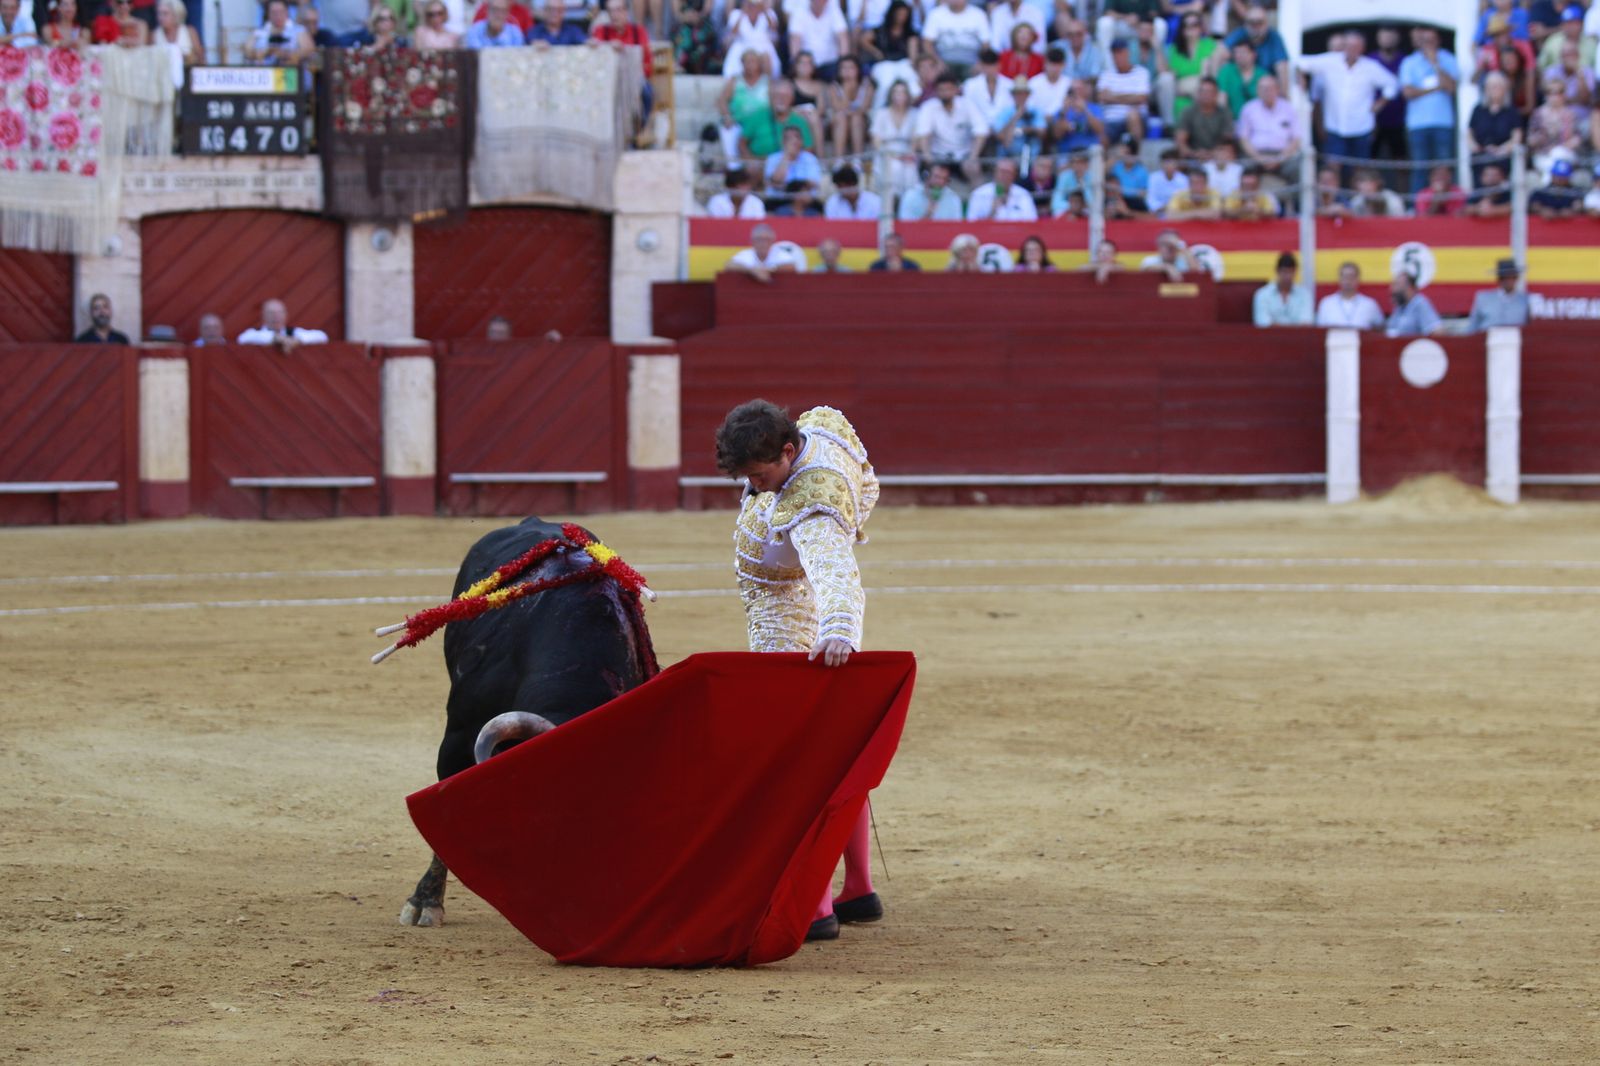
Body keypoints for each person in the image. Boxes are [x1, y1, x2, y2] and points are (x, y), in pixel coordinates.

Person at [715, 399, 883, 943]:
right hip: (791, 597)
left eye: (760, 474)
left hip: (785, 619)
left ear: (788, 453)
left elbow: (837, 573)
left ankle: (814, 907)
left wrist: (837, 631)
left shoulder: (811, 508)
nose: (755, 486)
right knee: (833, 754)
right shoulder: (816, 428)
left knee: (793, 762)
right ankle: (857, 888)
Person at [1297, 33, 1399, 178]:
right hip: (1335, 127)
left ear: (1362, 48)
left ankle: (1357, 200)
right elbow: (1300, 63)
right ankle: (1335, 200)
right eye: (1348, 46)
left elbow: (1392, 84)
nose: (1351, 50)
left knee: (1360, 171)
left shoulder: (1370, 67)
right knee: (1332, 168)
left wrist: (1380, 104)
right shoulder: (1330, 61)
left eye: (1355, 46)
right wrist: (1300, 80)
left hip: (1361, 127)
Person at [1398, 27, 1460, 195]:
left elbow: (1451, 87)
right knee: (1420, 167)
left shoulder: (1447, 59)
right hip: (1417, 124)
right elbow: (1408, 93)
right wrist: (1435, 88)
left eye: (1431, 40)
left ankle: (1450, 203)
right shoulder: (1409, 62)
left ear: (1438, 41)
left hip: (1443, 122)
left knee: (1444, 168)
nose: (1428, 44)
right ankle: (1417, 207)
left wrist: (1435, 64)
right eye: (1425, 41)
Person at [913, 73, 989, 185]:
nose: (945, 93)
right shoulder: (929, 107)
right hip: (938, 156)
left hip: (964, 156)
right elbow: (923, 134)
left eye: (948, 89)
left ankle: (978, 200)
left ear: (956, 89)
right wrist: (928, 158)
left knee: (974, 169)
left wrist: (973, 156)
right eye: (941, 90)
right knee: (931, 174)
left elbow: (981, 130)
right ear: (936, 91)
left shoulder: (967, 104)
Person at [1096, 39, 1149, 142]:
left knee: (1132, 115)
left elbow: (1141, 98)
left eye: (1120, 52)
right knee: (1098, 126)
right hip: (1111, 120)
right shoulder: (1106, 75)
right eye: (1114, 53)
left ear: (1128, 53)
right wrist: (1130, 97)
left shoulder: (1141, 72)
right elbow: (1102, 96)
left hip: (1136, 119)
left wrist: (1113, 96)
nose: (1117, 57)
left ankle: (1135, 154)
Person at [920, 0, 988, 80]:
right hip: (943, 60)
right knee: (930, 68)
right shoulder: (935, 14)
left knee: (986, 68)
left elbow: (986, 43)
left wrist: (980, 62)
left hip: (972, 61)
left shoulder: (979, 14)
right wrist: (937, 61)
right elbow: (927, 43)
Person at [237, 299, 329, 352]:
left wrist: (297, 340)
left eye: (280, 313)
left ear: (285, 315)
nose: (276, 317)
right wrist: (278, 339)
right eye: (271, 313)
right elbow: (242, 339)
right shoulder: (255, 332)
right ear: (264, 316)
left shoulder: (293, 332)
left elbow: (321, 336)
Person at [1315, 262, 1385, 329]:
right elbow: (1321, 330)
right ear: (1339, 278)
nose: (1348, 281)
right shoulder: (1326, 303)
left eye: (1351, 276)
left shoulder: (1370, 304)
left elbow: (1379, 328)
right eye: (1345, 276)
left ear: (1358, 279)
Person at [1252, 251, 1312, 326]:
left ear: (1295, 271)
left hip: (1298, 337)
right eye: (1284, 272)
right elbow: (1262, 323)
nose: (1288, 276)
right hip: (1270, 337)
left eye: (1291, 272)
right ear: (1277, 271)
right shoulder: (1262, 294)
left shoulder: (1304, 295)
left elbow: (1306, 323)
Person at [967, 157, 1037, 220]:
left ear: (1014, 175)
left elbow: (1031, 222)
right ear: (995, 173)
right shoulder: (979, 194)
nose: (1004, 176)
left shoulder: (1023, 194)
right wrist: (992, 211)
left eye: (1008, 172)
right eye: (1001, 171)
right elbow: (972, 224)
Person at [1468, 258, 1528, 331]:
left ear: (1516, 278)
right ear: (1499, 279)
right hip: (1486, 339)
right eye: (1504, 278)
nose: (1508, 281)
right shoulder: (1483, 298)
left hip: (1515, 340)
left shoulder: (1525, 300)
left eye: (1511, 277)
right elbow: (1473, 325)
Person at [150, 0, 199, 89]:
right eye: (159, 13)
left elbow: (200, 57)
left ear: (176, 15)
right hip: (163, 81)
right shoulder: (154, 35)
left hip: (188, 79)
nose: (161, 17)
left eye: (165, 14)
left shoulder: (189, 31)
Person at [726, 223, 799, 282]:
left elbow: (791, 267)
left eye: (767, 240)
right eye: (759, 239)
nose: (763, 243)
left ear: (772, 241)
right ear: (753, 242)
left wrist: (768, 270)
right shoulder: (747, 254)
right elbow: (729, 265)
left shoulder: (779, 253)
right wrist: (752, 270)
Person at [764, 125, 822, 196]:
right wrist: (787, 156)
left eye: (797, 137)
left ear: (802, 141)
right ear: (783, 142)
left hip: (805, 200)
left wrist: (790, 186)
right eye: (789, 139)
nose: (794, 141)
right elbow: (776, 181)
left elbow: (814, 184)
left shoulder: (810, 158)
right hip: (779, 201)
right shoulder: (772, 158)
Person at [897, 160, 965, 220]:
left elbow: (957, 227)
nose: (940, 182)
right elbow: (906, 227)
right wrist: (928, 213)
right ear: (926, 176)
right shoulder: (911, 196)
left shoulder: (953, 198)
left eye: (944, 178)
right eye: (936, 177)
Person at [1386, 272, 1442, 337]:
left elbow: (1438, 332)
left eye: (1397, 285)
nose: (1393, 289)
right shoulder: (1399, 308)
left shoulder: (1420, 304)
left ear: (1409, 288)